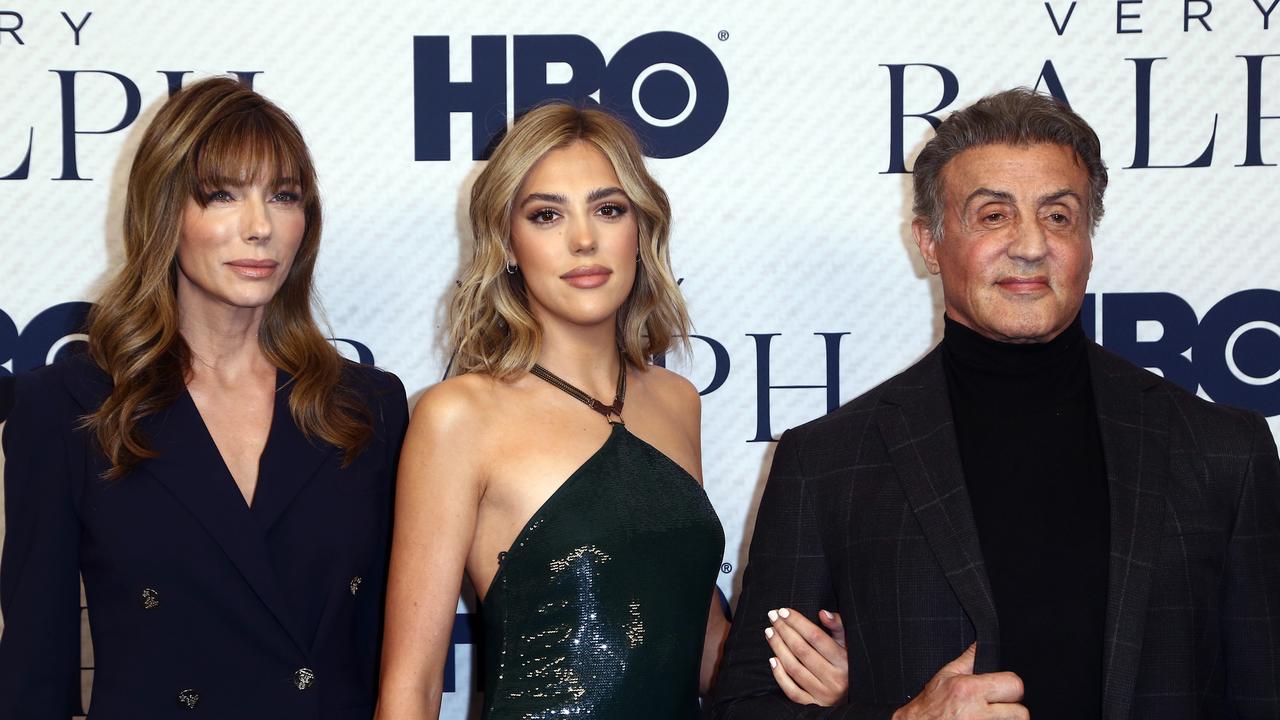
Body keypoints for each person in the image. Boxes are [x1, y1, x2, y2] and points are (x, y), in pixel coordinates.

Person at [710, 88, 1280, 719]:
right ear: (930, 242)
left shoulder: (1223, 452)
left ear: (1087, 239)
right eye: (993, 215)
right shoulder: (827, 464)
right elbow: (745, 707)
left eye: (1059, 216)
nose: (1031, 245)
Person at [375, 103, 848, 719]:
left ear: (640, 230)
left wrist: (804, 667)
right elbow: (409, 688)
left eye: (608, 209)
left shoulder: (676, 401)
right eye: (547, 215)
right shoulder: (458, 416)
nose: (583, 239)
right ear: (507, 244)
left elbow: (698, 646)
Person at [0, 77, 408, 717]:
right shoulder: (68, 407)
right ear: (164, 212)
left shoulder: (367, 407)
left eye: (283, 196)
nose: (260, 227)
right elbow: (33, 676)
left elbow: (394, 659)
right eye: (221, 195)